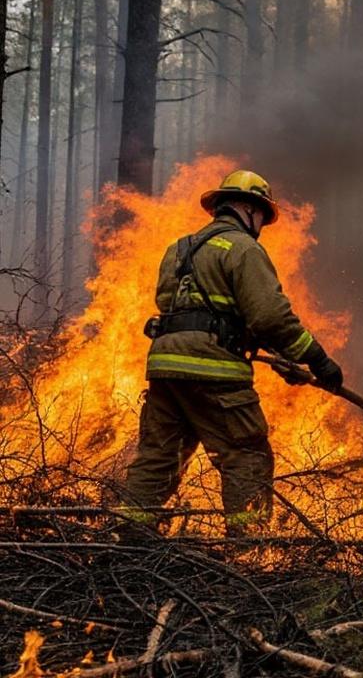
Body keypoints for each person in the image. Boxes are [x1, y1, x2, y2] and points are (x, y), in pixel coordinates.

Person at [124, 169, 344, 536]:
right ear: (247, 208)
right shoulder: (244, 248)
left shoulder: (178, 249)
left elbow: (186, 310)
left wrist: (278, 355)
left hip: (165, 369)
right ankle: (251, 548)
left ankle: (125, 535)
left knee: (158, 459)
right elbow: (270, 315)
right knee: (247, 455)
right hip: (214, 373)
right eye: (261, 215)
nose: (261, 225)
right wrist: (318, 359)